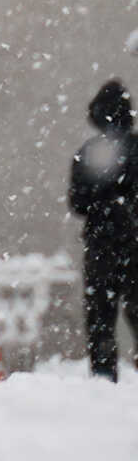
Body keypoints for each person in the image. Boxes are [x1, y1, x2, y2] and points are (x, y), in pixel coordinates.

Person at [69, 79, 136, 379]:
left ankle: (103, 380)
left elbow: (77, 203)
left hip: (101, 245)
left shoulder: (88, 153)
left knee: (101, 319)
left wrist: (102, 206)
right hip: (135, 242)